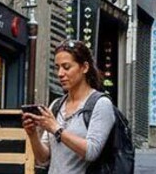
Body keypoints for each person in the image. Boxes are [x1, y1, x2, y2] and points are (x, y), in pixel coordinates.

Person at [22, 40, 115, 174]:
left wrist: (57, 129)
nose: (60, 73)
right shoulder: (56, 105)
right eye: (57, 67)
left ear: (84, 67)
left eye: (66, 67)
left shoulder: (101, 104)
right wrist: (32, 135)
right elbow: (43, 159)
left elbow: (92, 151)